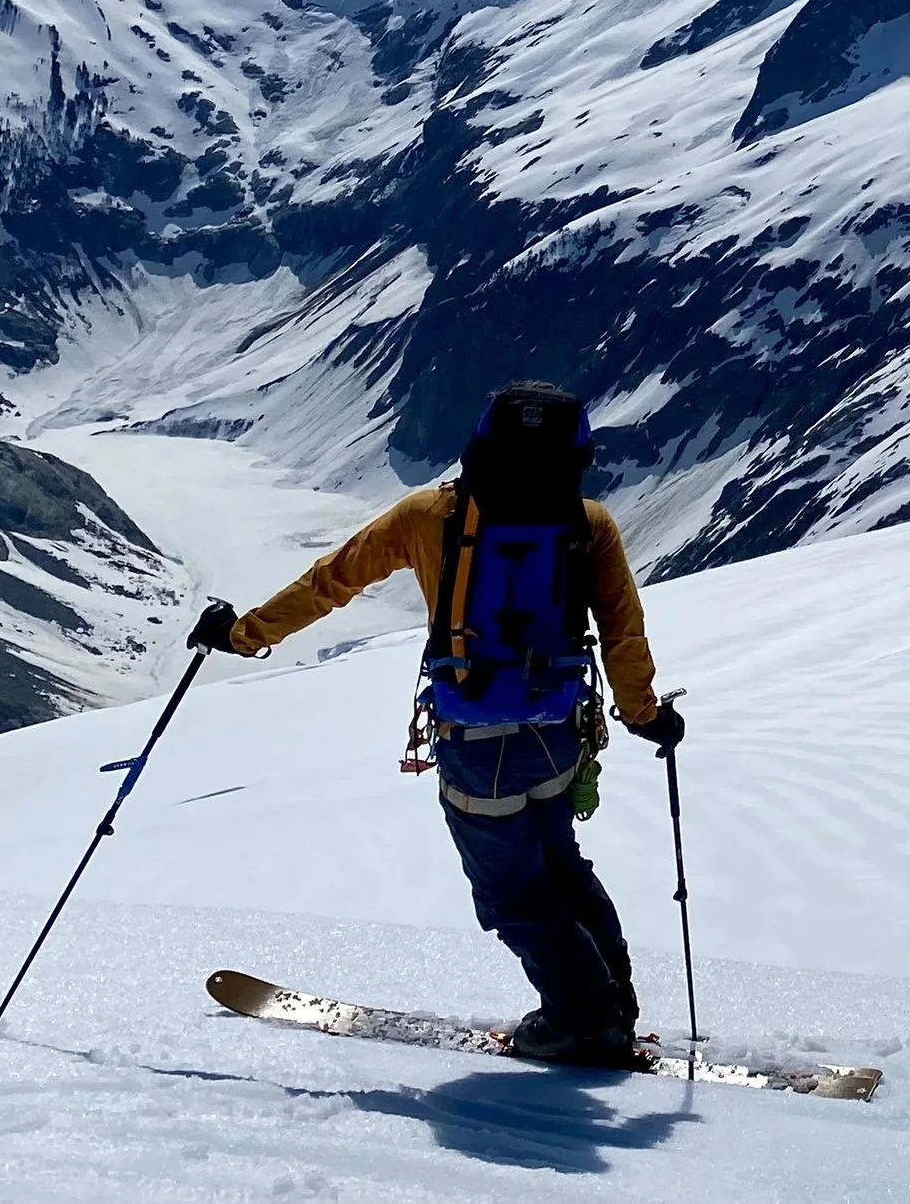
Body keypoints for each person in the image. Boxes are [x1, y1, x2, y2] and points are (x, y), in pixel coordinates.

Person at [187, 380, 681, 1067]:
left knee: (513, 894)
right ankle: (612, 1007)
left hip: (475, 744)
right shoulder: (588, 523)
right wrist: (646, 715)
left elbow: (332, 581)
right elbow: (624, 635)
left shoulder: (431, 515)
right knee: (562, 870)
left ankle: (579, 1018)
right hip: (558, 739)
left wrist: (243, 635)